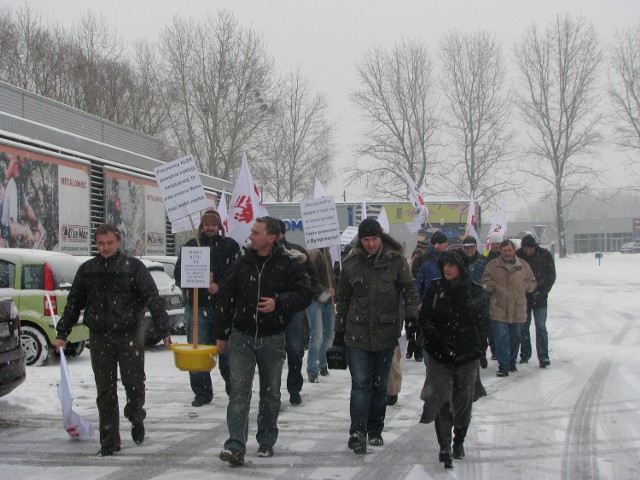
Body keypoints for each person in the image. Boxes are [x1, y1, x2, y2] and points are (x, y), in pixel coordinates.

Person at [54, 223, 172, 457]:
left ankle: (136, 415)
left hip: (129, 335)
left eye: (109, 243)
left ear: (118, 242)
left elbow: (153, 299)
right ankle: (109, 441)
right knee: (105, 391)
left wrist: (165, 330)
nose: (105, 248)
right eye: (100, 243)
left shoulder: (134, 267)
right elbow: (74, 303)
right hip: (100, 337)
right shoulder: (88, 269)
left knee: (134, 384)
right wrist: (62, 333)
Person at [215, 216, 313, 466]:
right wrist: (221, 334)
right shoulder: (241, 262)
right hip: (241, 336)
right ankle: (235, 445)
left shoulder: (288, 263)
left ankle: (266, 439)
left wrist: (278, 303)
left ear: (271, 237)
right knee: (239, 393)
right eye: (251, 231)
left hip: (272, 337)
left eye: (256, 232)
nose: (251, 236)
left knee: (270, 393)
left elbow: (304, 295)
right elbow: (226, 297)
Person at [334, 218, 419, 454]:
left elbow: (409, 288)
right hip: (356, 333)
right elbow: (342, 299)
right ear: (360, 240)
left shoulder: (396, 261)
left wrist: (412, 316)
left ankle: (375, 428)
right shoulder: (351, 264)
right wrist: (338, 331)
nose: (370, 244)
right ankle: (357, 432)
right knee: (360, 384)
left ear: (380, 238)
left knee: (379, 384)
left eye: (373, 239)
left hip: (386, 332)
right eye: (366, 240)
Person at [418, 250, 487, 469]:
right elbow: (426, 318)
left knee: (463, 401)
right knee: (441, 399)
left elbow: (481, 323)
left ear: (461, 267)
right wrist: (437, 342)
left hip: (467, 355)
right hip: (440, 355)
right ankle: (444, 446)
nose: (447, 268)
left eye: (452, 264)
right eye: (444, 264)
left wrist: (479, 350)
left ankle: (459, 440)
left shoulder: (475, 291)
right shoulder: (436, 288)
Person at [174, 209, 241, 406]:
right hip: (197, 308)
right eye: (207, 224)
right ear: (202, 226)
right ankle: (202, 393)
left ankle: (233, 386)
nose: (210, 228)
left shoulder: (230, 246)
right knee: (198, 351)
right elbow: (179, 276)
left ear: (219, 226)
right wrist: (197, 282)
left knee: (227, 353)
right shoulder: (191, 246)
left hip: (224, 309)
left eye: (214, 224)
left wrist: (219, 286)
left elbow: (238, 274)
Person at [481, 239, 537, 377]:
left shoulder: (523, 265)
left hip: (517, 308)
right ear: (501, 251)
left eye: (509, 250)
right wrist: (491, 285)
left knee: (515, 337)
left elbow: (532, 281)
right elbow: (484, 281)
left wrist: (526, 286)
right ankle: (503, 365)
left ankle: (512, 362)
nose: (507, 253)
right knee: (501, 338)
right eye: (504, 250)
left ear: (514, 250)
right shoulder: (493, 265)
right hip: (499, 308)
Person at [277, 219, 318, 405]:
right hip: (269, 311)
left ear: (281, 234)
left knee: (295, 350)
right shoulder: (260, 254)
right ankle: (272, 391)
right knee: (272, 354)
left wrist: (302, 297)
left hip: (293, 310)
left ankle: (294, 388)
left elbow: (311, 278)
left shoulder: (296, 253)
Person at [516, 234, 556, 368]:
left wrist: (543, 291)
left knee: (541, 327)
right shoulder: (518, 256)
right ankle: (525, 354)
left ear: (534, 246)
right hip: (523, 298)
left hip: (540, 298)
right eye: (526, 248)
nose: (528, 251)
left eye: (530, 248)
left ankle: (543, 356)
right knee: (523, 328)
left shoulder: (545, 255)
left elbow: (551, 275)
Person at [306, 247, 335, 383]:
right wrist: (325, 290)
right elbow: (310, 280)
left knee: (329, 335)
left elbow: (332, 278)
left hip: (328, 300)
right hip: (315, 300)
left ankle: (322, 363)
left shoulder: (328, 254)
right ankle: (313, 370)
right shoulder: (314, 254)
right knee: (317, 335)